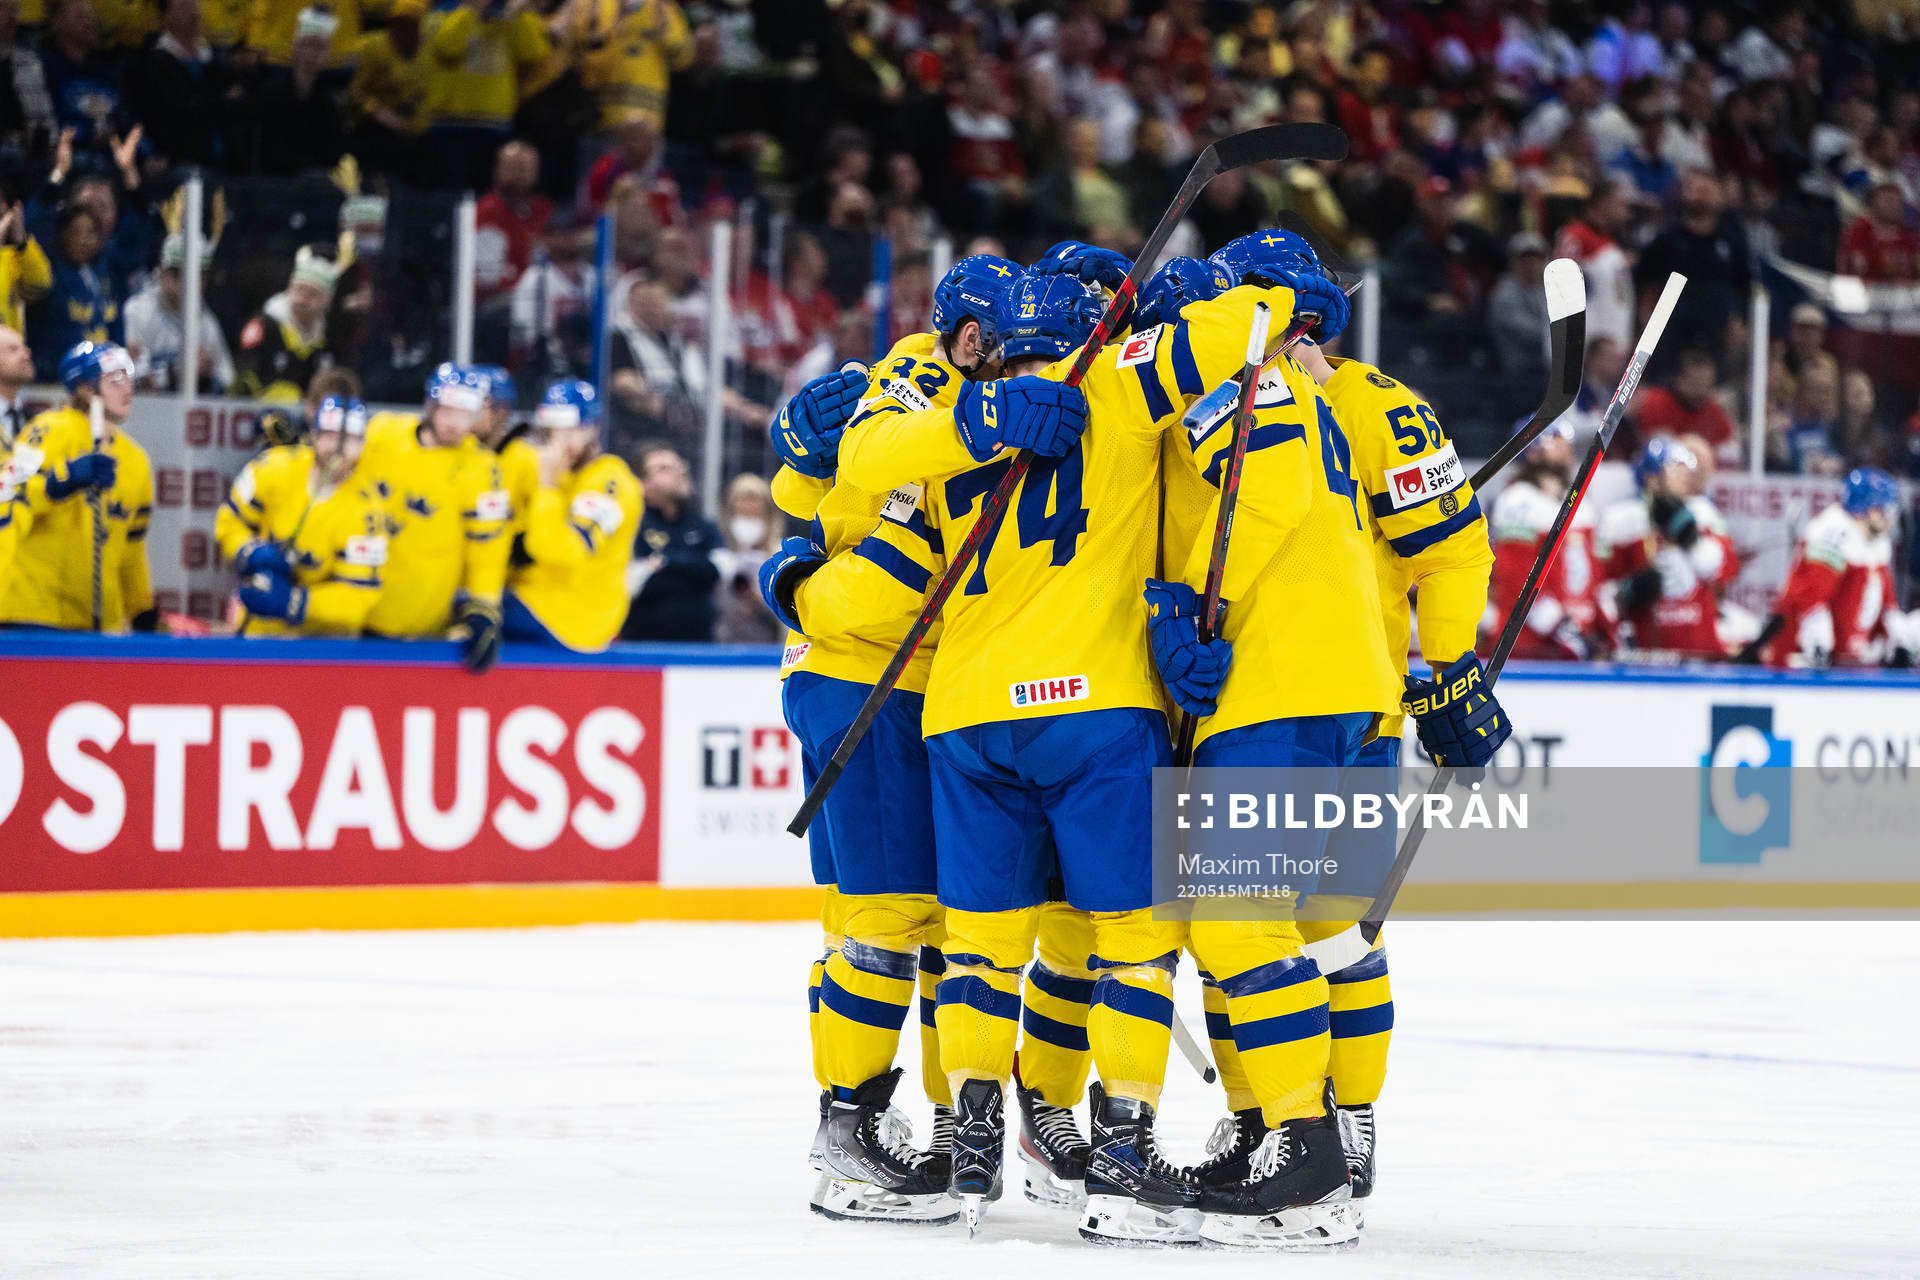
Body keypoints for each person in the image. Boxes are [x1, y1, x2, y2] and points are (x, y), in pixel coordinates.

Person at [359, 364, 511, 671]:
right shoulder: (381, 433)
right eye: (448, 411)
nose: (455, 423)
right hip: (352, 611)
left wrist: (483, 608)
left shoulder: (482, 469)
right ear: (430, 404)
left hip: (422, 625)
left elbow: (488, 550)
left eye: (466, 414)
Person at [0, 341, 153, 632]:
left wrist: (141, 608)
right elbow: (6, 493)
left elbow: (132, 547)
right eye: (114, 380)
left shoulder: (136, 460)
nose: (127, 389)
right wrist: (57, 482)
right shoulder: (50, 429)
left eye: (129, 378)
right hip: (32, 613)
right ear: (85, 389)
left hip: (96, 622)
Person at [215, 395, 388, 636]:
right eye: (330, 435)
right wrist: (249, 551)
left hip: (319, 645)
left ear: (362, 445)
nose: (338, 448)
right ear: (314, 435)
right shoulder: (272, 468)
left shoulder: (368, 513)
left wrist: (296, 602)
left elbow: (358, 598)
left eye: (348, 439)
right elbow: (229, 522)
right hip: (255, 630)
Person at [501, 379, 641, 652]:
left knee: (461, 610)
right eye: (551, 432)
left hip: (571, 618)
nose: (559, 443)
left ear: (593, 430)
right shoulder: (558, 473)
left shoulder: (611, 482)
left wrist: (547, 486)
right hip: (534, 598)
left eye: (571, 431)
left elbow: (562, 550)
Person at [1746, 468, 1911, 668]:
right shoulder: (1833, 534)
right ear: (1862, 508)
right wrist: (1818, 645)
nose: (1889, 516)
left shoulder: (1877, 542)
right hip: (1805, 659)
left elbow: (1886, 603)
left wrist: (1899, 641)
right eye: (1883, 509)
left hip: (1850, 657)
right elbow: (1811, 598)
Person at [1597, 437, 1737, 658]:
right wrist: (1627, 590)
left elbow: (1726, 569)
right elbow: (1601, 585)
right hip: (1644, 653)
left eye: (1685, 467)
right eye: (1674, 467)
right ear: (1651, 478)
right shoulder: (1623, 519)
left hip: (1699, 648)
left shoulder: (1703, 513)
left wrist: (1693, 541)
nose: (1684, 474)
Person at [1485, 419, 1609, 660]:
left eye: (1566, 441)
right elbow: (1517, 578)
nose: (1565, 446)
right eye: (1554, 440)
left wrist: (1606, 630)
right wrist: (1562, 629)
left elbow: (1596, 573)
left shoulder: (1582, 503)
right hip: (1530, 645)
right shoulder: (1517, 501)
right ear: (1531, 450)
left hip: (1580, 637)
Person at [622, 442, 721, 641]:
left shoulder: (703, 525)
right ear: (641, 483)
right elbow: (631, 584)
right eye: (664, 468)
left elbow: (717, 572)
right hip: (642, 646)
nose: (679, 472)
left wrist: (665, 561)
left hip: (701, 646)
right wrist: (694, 567)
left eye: (679, 465)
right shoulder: (630, 525)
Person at [124, 231, 236, 392]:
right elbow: (129, 379)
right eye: (178, 274)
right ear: (162, 272)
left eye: (198, 275)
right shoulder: (137, 312)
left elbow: (227, 381)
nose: (188, 283)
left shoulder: (205, 320)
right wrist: (177, 371)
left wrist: (209, 374)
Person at [233, 243, 340, 402]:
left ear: (327, 302)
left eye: (313, 294)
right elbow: (243, 380)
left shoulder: (328, 340)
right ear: (289, 288)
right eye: (300, 289)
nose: (304, 298)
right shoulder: (264, 327)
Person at [713, 471, 782, 644]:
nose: (748, 507)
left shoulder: (781, 555)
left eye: (755, 507)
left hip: (769, 646)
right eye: (742, 507)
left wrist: (762, 596)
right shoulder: (718, 556)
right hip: (721, 645)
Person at [1633, 350, 1737, 461]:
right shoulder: (1656, 403)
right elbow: (1651, 446)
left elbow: (1729, 451)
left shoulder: (1715, 412)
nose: (1702, 389)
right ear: (1679, 379)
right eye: (1696, 383)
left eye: (1707, 384)